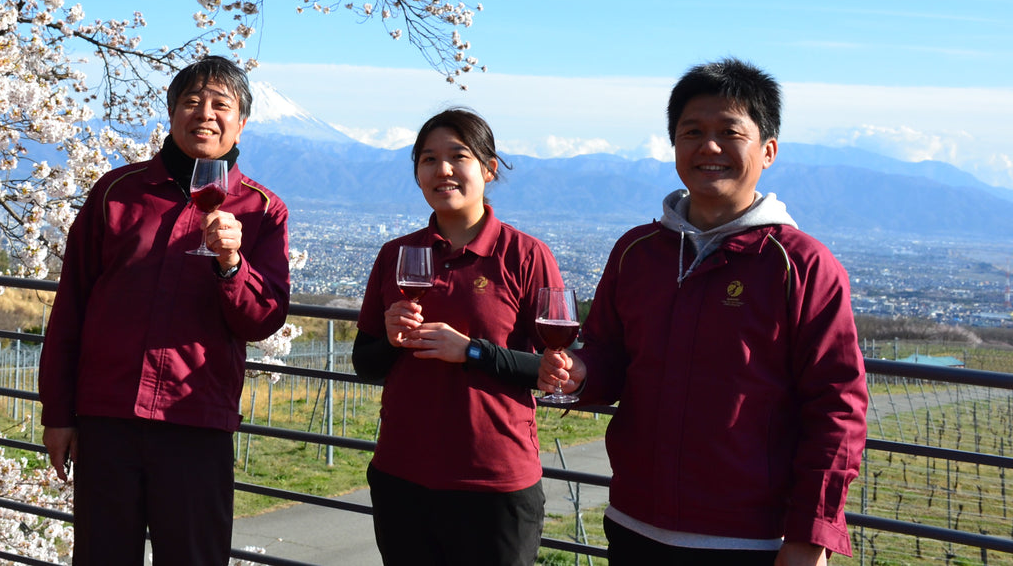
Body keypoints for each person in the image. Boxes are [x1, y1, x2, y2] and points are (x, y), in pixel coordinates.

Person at [538, 59, 868, 565]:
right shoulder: (637, 251)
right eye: (692, 132)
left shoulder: (800, 264)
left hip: (750, 540)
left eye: (729, 133)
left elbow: (837, 407)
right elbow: (610, 355)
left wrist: (809, 537)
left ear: (768, 151)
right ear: (673, 146)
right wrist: (582, 372)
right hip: (634, 523)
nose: (709, 147)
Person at [37, 56, 290, 566]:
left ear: (242, 122)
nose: (205, 114)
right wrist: (59, 414)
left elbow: (263, 319)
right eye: (192, 102)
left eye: (221, 105)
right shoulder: (116, 192)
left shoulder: (262, 209)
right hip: (108, 417)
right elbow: (71, 309)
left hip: (196, 420)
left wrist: (231, 265)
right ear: (171, 113)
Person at [353, 108, 561, 566]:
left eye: (458, 156)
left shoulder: (525, 256)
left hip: (494, 481)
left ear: (488, 168)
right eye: (428, 159)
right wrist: (391, 340)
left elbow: (555, 372)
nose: (442, 169)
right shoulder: (396, 255)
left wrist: (470, 351)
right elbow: (365, 363)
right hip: (401, 476)